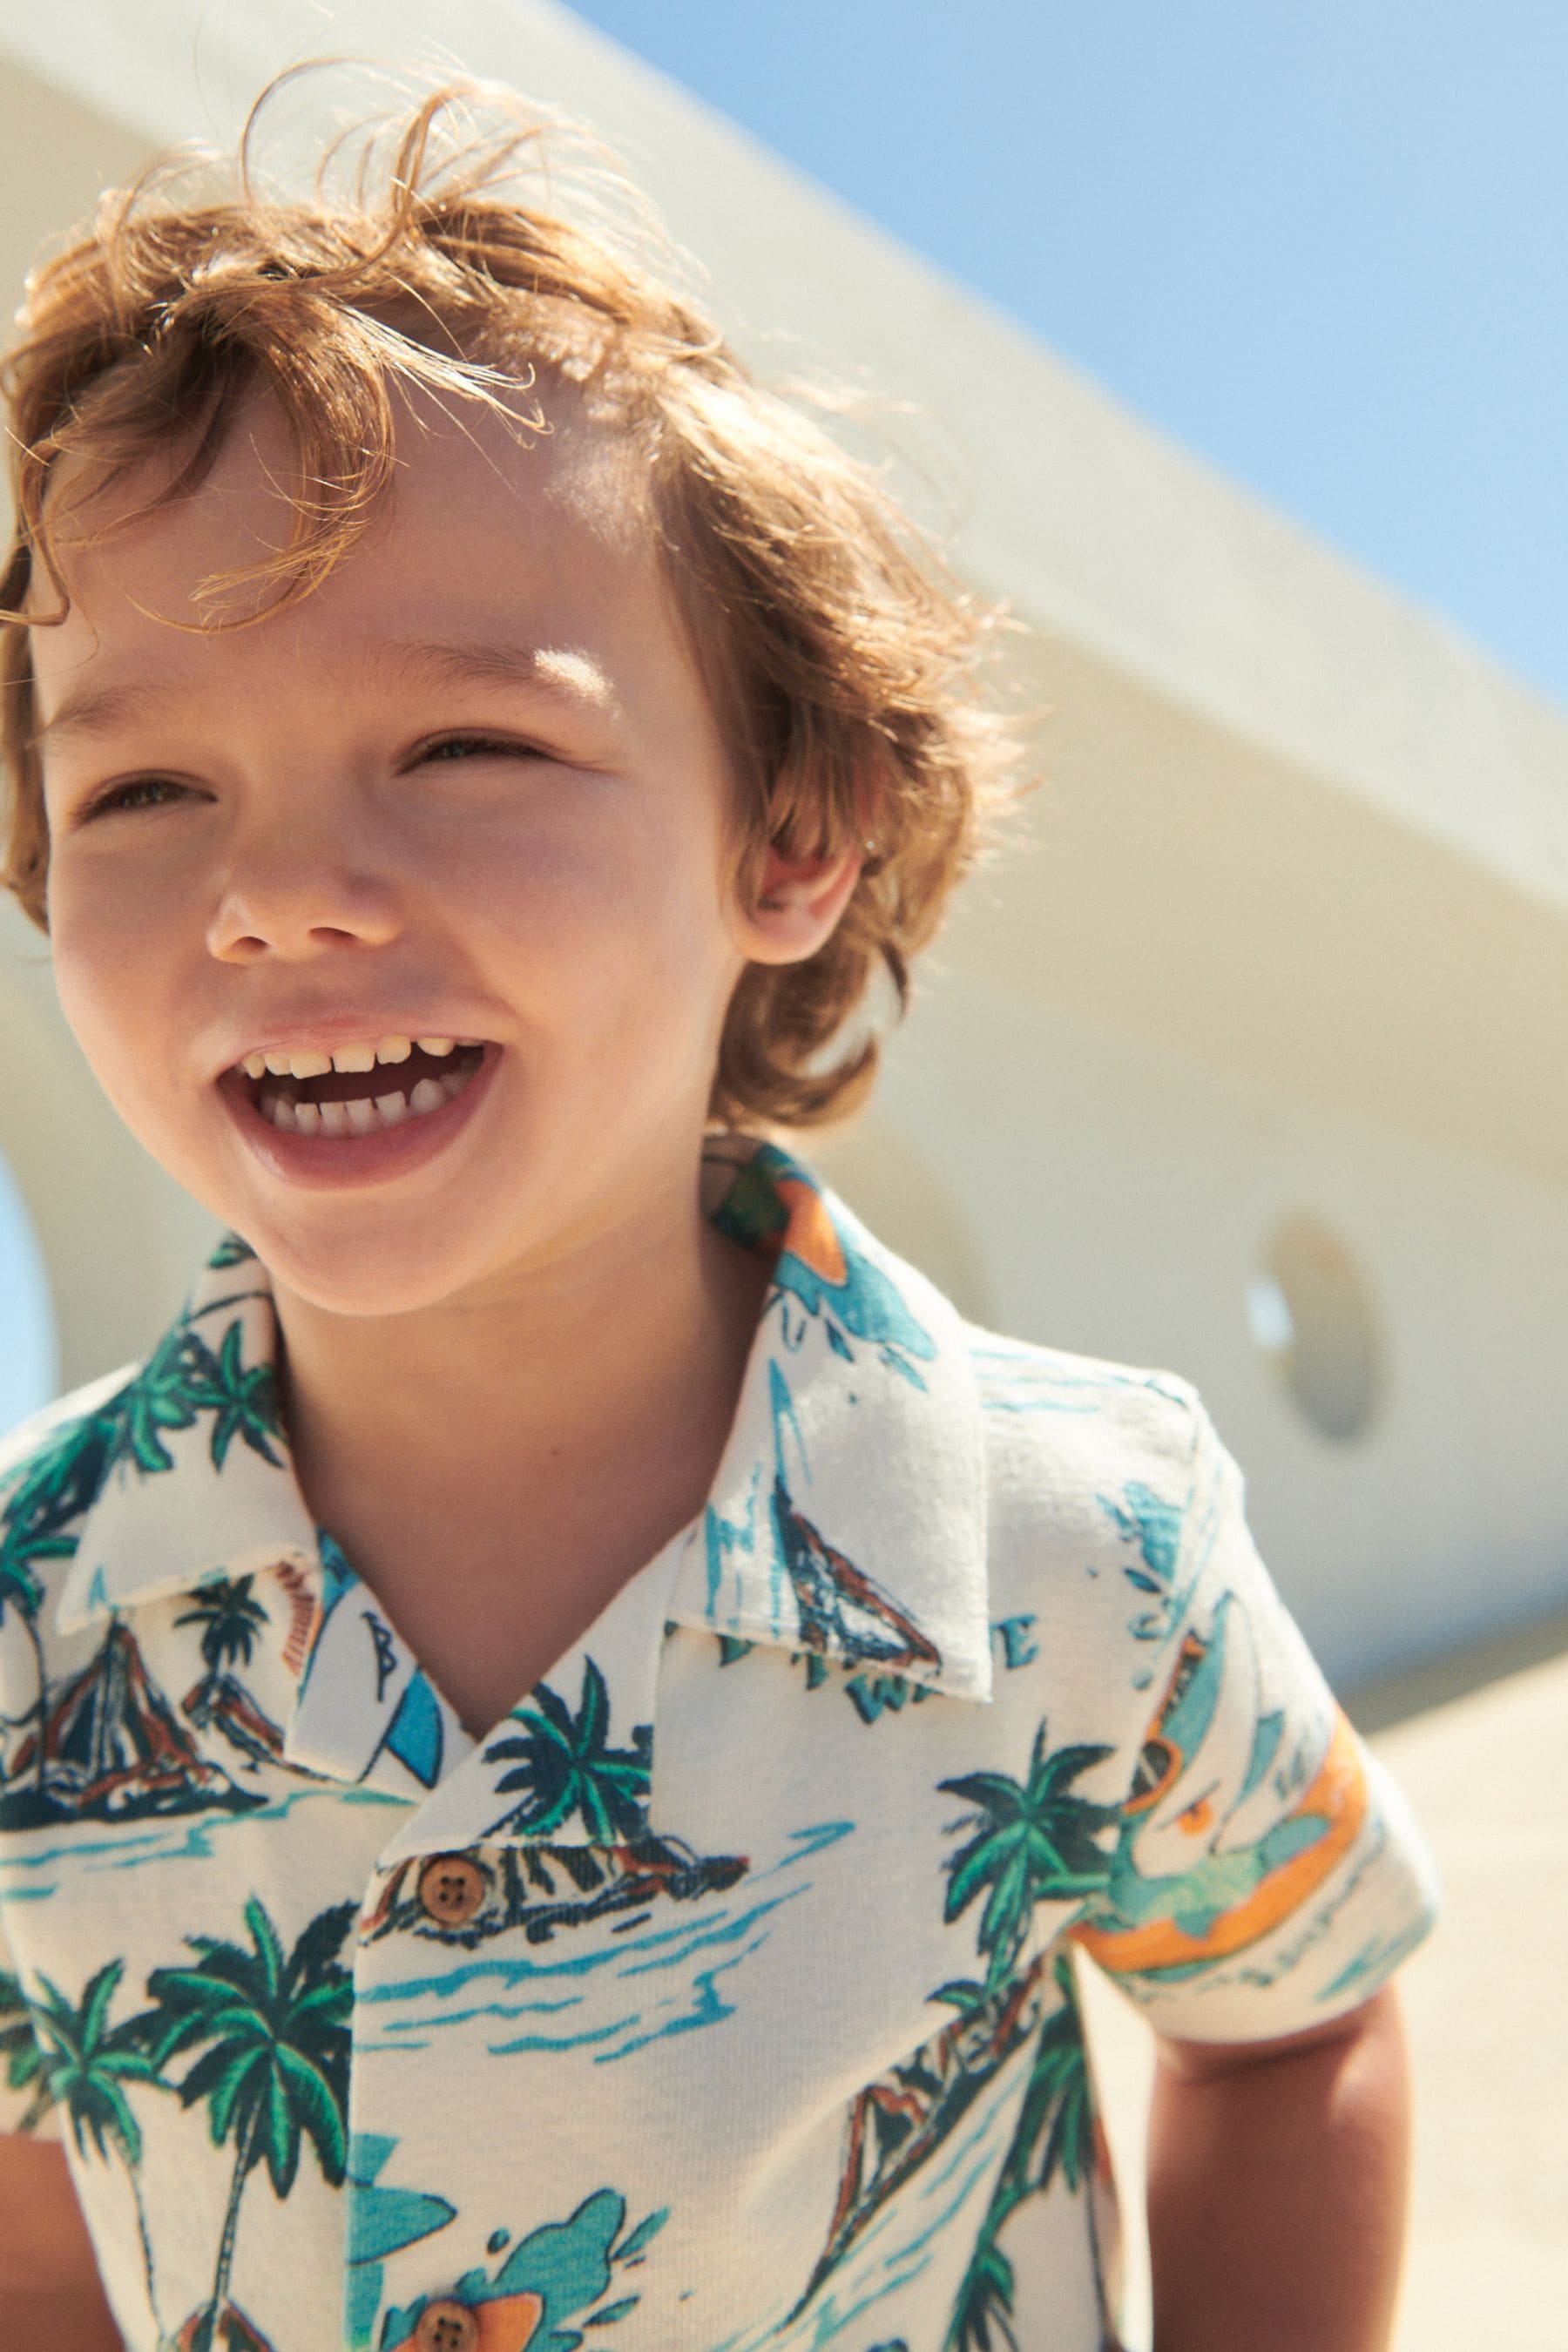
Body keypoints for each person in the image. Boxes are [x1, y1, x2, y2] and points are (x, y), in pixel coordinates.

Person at [0, 68, 1436, 2352]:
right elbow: (44, 2207)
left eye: (464, 744)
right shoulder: (20, 1614)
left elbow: (1296, 2024)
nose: (272, 896)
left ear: (792, 831)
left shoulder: (1085, 1542)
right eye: (148, 782)